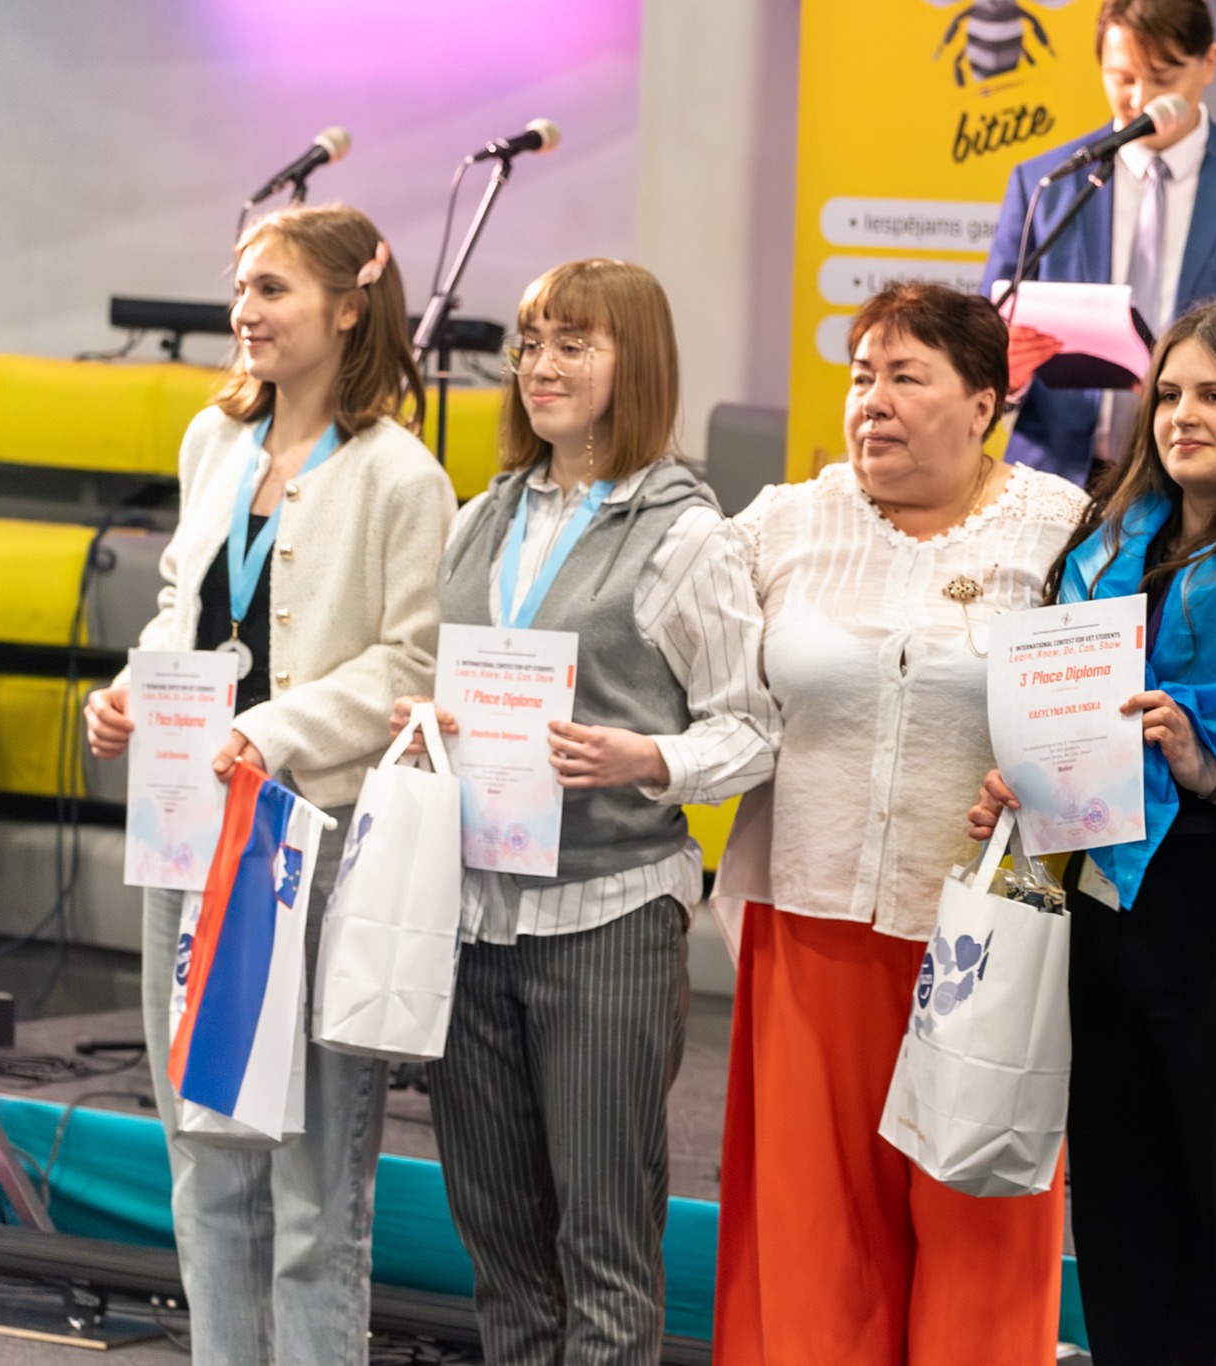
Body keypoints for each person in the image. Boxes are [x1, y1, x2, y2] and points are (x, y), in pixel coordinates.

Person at [82, 205, 455, 1365]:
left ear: (348, 308)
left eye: (273, 289)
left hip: (312, 842)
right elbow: (180, 608)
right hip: (190, 835)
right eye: (241, 287)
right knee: (205, 1161)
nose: (244, 311)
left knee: (310, 1190)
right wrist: (130, 692)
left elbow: (412, 662)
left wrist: (268, 730)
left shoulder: (401, 474)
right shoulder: (215, 438)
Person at [389, 259, 777, 1364]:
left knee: (606, 1253)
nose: (541, 366)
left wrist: (646, 756)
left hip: (607, 914)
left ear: (634, 360)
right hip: (468, 914)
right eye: (531, 343)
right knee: (503, 1254)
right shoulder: (480, 518)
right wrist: (425, 725)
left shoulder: (687, 534)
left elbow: (752, 728)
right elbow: (453, 682)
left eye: (574, 344)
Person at [711, 283, 1088, 1366]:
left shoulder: (1062, 527)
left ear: (982, 403)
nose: (870, 401)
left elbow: (1103, 724)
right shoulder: (781, 522)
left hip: (985, 941)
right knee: (815, 1252)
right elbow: (686, 662)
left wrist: (1049, 783)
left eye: (905, 377)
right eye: (861, 375)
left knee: (981, 1243)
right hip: (809, 932)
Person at [967, 299, 1216, 1366]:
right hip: (1103, 905)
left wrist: (1207, 768)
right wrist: (1020, 780)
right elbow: (1057, 718)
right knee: (1122, 1199)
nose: (1182, 416)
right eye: (1168, 394)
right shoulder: (1106, 543)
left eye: (1215, 395)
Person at [980, 0, 1216, 488]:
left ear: (1208, 63)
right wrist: (1005, 374)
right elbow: (981, 342)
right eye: (1123, 78)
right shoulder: (1047, 182)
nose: (1142, 99)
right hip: (1057, 477)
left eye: (1163, 77)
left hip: (1213, 485)